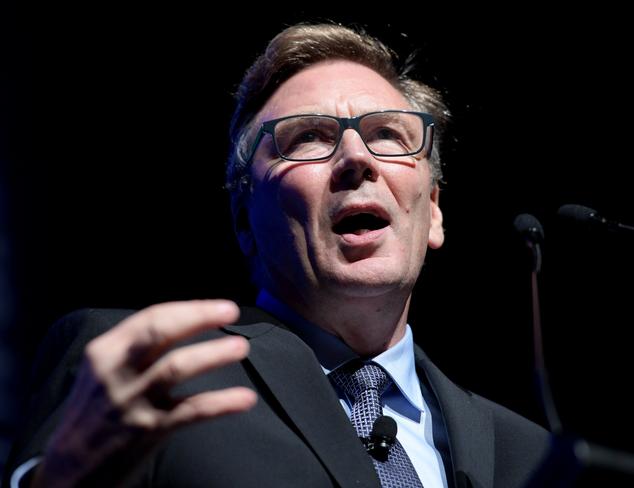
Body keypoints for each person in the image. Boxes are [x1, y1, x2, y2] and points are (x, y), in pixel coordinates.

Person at [4, 23, 549, 488]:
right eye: (309, 137)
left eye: (387, 134)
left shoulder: (528, 455)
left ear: (432, 212)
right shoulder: (145, 374)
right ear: (244, 219)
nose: (357, 158)